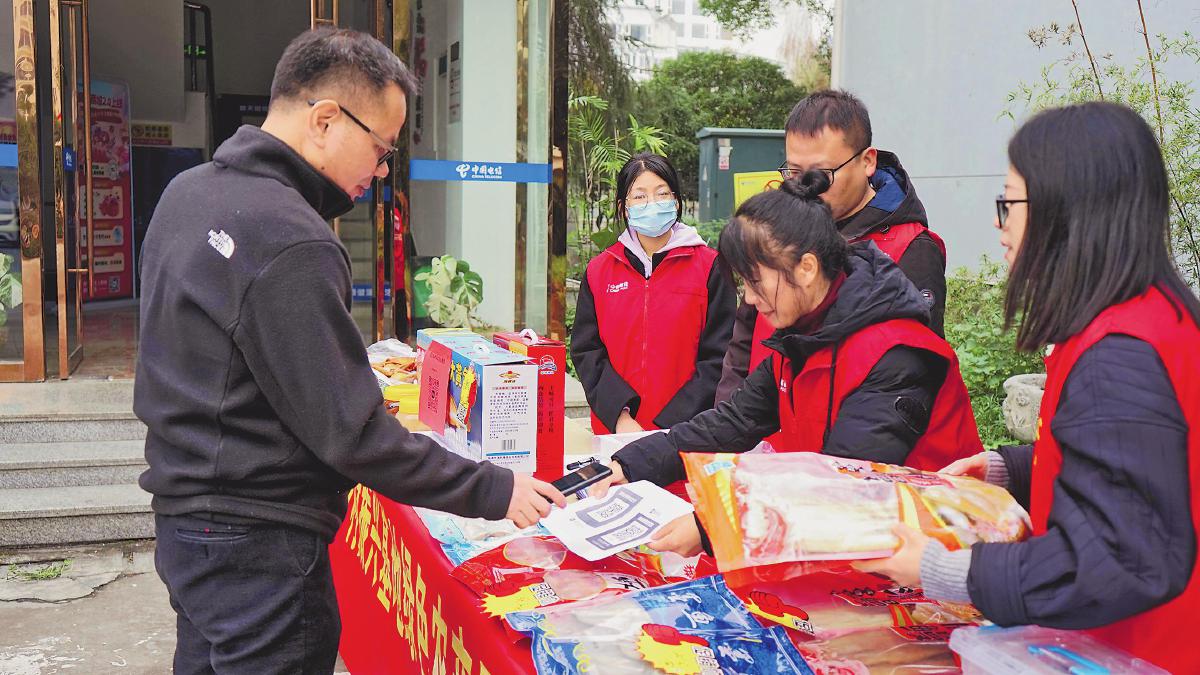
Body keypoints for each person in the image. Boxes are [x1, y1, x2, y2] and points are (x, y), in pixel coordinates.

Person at [134, 28, 564, 674]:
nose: (383, 169)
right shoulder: (292, 239)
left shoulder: (186, 193)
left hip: (185, 519)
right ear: (326, 120)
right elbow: (354, 433)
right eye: (382, 147)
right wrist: (494, 489)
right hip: (261, 543)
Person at [858, 102, 1200, 675]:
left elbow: (1117, 559)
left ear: (1068, 212)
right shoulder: (1148, 315)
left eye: (1009, 204)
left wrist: (946, 570)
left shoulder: (1117, 352)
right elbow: (1140, 461)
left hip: (1143, 651)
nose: (1000, 225)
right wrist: (1010, 468)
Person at [593, 170, 982, 556]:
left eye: (756, 281)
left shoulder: (895, 353)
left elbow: (848, 480)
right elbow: (734, 422)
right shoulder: (804, 334)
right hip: (858, 544)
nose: (749, 299)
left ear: (807, 268)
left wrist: (712, 525)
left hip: (938, 555)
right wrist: (631, 463)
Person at [716, 89, 948, 407]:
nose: (805, 186)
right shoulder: (775, 229)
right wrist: (730, 416)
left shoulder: (912, 249)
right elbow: (744, 337)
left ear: (867, 161)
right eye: (793, 172)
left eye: (821, 174)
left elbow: (912, 378)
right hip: (761, 421)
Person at [570, 153, 736, 440]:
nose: (652, 204)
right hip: (618, 434)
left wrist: (670, 426)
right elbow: (587, 351)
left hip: (686, 434)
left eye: (662, 194)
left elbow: (720, 356)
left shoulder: (711, 267)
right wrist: (620, 416)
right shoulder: (600, 271)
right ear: (623, 208)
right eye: (640, 196)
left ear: (677, 202)